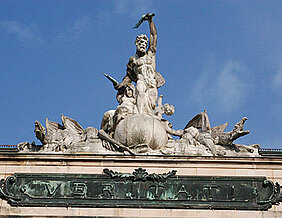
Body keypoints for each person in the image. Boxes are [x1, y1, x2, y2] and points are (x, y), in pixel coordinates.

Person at [118, 13, 165, 115]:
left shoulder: (150, 54)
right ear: (136, 44)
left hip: (152, 82)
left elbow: (154, 35)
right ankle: (138, 116)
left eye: (144, 43)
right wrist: (120, 85)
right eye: (140, 43)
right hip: (141, 81)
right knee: (140, 93)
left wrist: (150, 21)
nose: (142, 45)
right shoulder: (133, 60)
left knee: (152, 104)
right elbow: (128, 77)